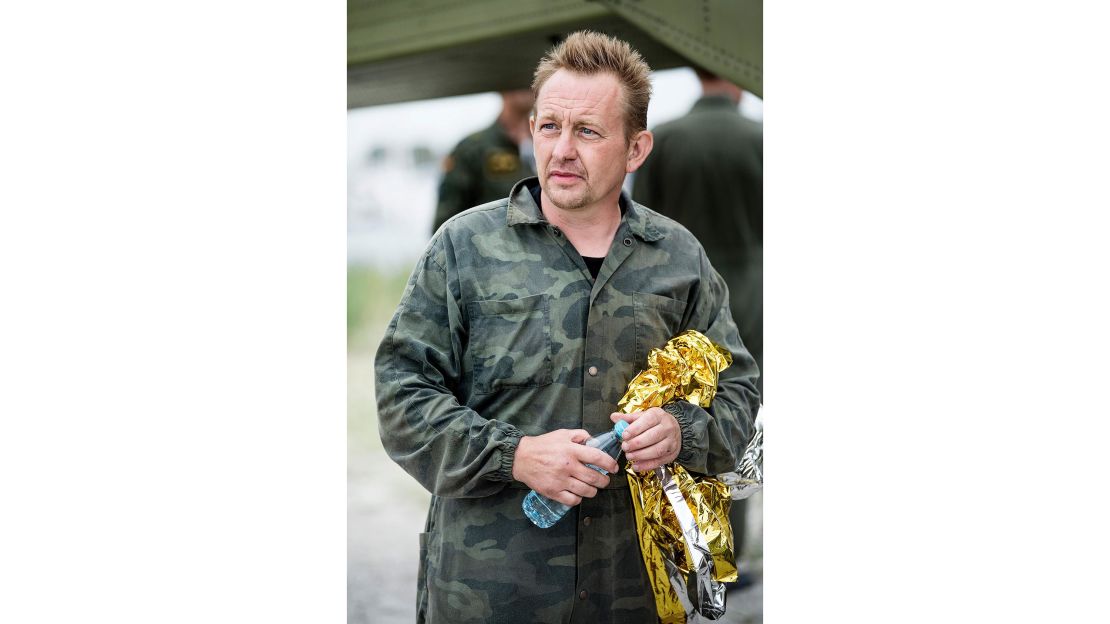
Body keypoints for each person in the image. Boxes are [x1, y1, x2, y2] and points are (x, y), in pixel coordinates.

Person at [375, 31, 760, 623]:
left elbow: (739, 394)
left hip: (630, 594)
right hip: (490, 595)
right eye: (549, 126)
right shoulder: (463, 247)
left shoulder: (679, 257)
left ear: (636, 149)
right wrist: (516, 456)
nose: (561, 150)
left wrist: (682, 432)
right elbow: (402, 398)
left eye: (587, 131)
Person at [631, 67, 764, 588]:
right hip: (751, 299)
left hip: (675, 302)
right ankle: (725, 559)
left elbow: (639, 226)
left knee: (670, 418)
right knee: (739, 416)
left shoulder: (666, 140)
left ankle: (675, 547)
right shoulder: (763, 140)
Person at [430, 88, 536, 233]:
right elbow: (444, 227)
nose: (525, 86)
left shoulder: (550, 144)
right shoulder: (473, 149)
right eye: (516, 79)